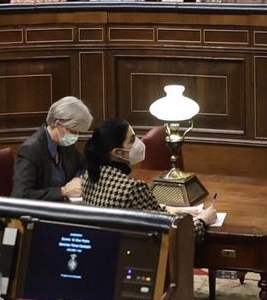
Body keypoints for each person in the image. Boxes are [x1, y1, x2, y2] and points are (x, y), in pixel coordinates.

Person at [82, 119, 210, 238]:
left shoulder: (88, 176)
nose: (139, 143)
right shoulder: (133, 188)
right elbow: (173, 235)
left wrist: (166, 209)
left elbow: (131, 209)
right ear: (117, 152)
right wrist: (202, 221)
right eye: (132, 140)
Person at [13, 96, 91, 200]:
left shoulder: (64, 144)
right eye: (73, 131)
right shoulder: (31, 150)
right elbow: (21, 195)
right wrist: (63, 191)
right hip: (37, 213)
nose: (76, 136)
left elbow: (85, 163)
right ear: (58, 124)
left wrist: (77, 177)